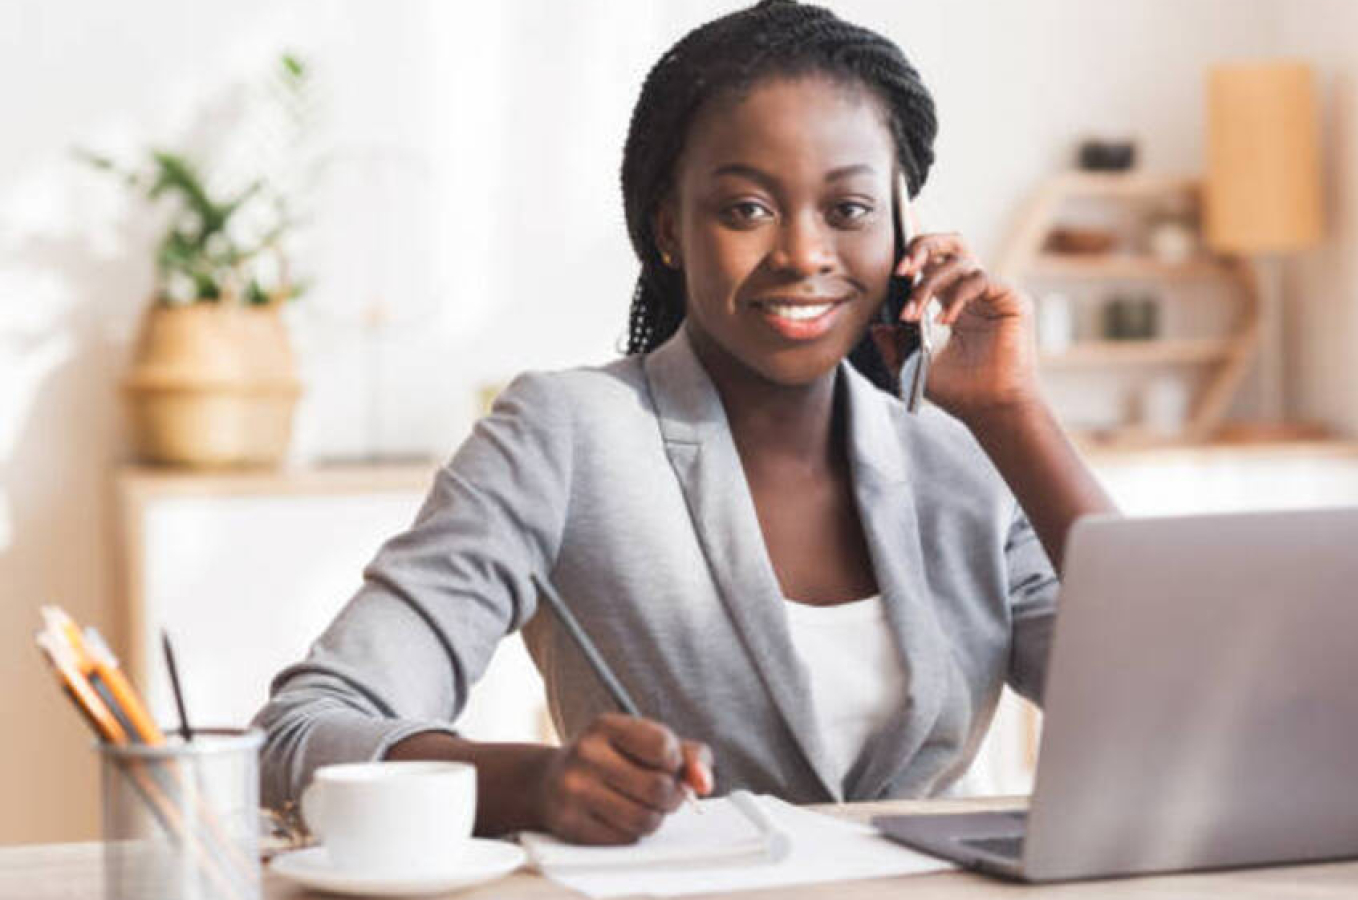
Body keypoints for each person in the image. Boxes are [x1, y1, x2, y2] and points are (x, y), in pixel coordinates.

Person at [254, 0, 1114, 846]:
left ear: (904, 232)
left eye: (848, 211)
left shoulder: (963, 457)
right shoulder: (568, 435)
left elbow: (1176, 702)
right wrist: (537, 785)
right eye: (745, 209)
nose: (803, 254)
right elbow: (302, 732)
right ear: (669, 228)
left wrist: (1014, 417)